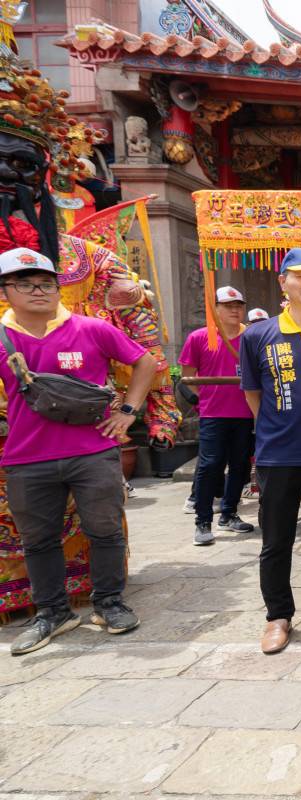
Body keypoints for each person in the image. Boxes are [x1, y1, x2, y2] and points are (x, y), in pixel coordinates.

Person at [1, 247, 158, 654]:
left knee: (104, 530)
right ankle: (53, 612)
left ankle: (109, 603)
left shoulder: (91, 328)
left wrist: (127, 412)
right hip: (26, 457)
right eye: (25, 283)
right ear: (6, 291)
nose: (39, 291)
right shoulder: (3, 338)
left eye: (47, 283)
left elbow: (145, 361)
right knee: (37, 540)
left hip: (93, 452)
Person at [240, 248, 301, 655]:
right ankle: (277, 615)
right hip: (278, 454)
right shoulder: (257, 335)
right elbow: (253, 395)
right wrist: (280, 428)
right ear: (283, 282)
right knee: (276, 539)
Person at [179, 285, 255, 546]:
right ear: (216, 309)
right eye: (228, 306)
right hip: (213, 414)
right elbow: (187, 376)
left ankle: (230, 513)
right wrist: (204, 400)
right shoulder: (200, 337)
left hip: (245, 413)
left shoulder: (252, 336)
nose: (235, 310)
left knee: (240, 464)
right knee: (210, 465)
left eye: (239, 305)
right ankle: (202, 520)